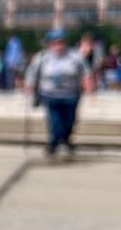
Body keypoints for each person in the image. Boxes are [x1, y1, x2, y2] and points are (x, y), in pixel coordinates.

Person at [26, 29, 89, 157]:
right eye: (55, 42)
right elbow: (32, 73)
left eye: (61, 42)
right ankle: (53, 143)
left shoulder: (75, 56)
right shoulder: (42, 57)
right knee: (55, 121)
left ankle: (66, 139)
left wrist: (88, 85)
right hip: (50, 94)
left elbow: (86, 72)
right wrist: (30, 87)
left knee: (70, 120)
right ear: (50, 44)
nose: (59, 45)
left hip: (71, 94)